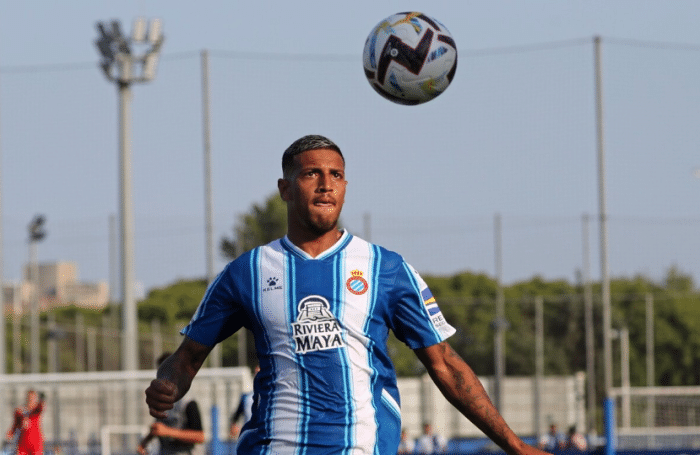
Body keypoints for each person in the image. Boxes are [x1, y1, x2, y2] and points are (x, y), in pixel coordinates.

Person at [145, 134, 552, 455]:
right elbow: (187, 359)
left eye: (336, 175)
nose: (326, 185)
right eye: (312, 174)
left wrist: (514, 445)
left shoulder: (385, 268)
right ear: (285, 189)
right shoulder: (247, 271)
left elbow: (444, 363)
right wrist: (168, 384)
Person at [138, 353, 204, 455]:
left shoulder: (188, 402)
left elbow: (200, 437)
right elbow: (159, 428)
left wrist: (168, 432)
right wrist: (144, 442)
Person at [5, 389, 45, 455]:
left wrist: (42, 399)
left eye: (33, 398)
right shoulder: (19, 411)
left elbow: (41, 407)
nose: (31, 399)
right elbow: (16, 424)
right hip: (23, 443)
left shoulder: (36, 410)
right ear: (26, 398)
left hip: (36, 442)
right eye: (29, 397)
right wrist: (11, 433)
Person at [229, 365, 260, 440]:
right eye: (256, 374)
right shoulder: (247, 397)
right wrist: (234, 425)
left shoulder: (273, 396)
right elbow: (237, 415)